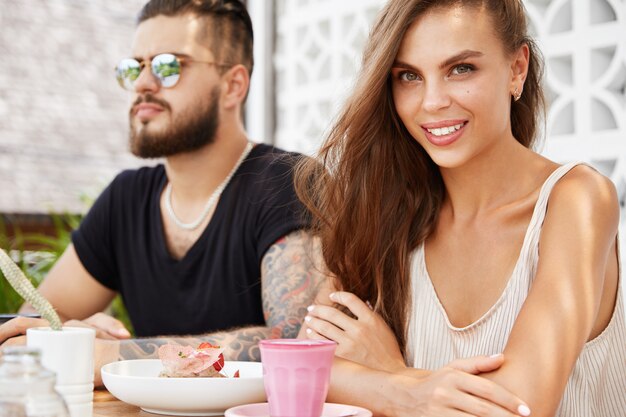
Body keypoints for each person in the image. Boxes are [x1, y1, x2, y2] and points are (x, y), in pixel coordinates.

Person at [296, 0, 626, 416]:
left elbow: (516, 406)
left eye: (461, 69)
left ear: (517, 69)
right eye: (409, 76)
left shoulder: (578, 199)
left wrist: (392, 373)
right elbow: (301, 369)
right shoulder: (385, 215)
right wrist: (410, 392)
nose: (432, 101)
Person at [0, 0, 322, 385]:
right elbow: (31, 325)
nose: (143, 84)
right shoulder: (126, 199)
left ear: (233, 85)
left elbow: (295, 340)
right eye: (135, 67)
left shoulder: (289, 182)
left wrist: (114, 355)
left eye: (169, 66)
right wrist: (77, 334)